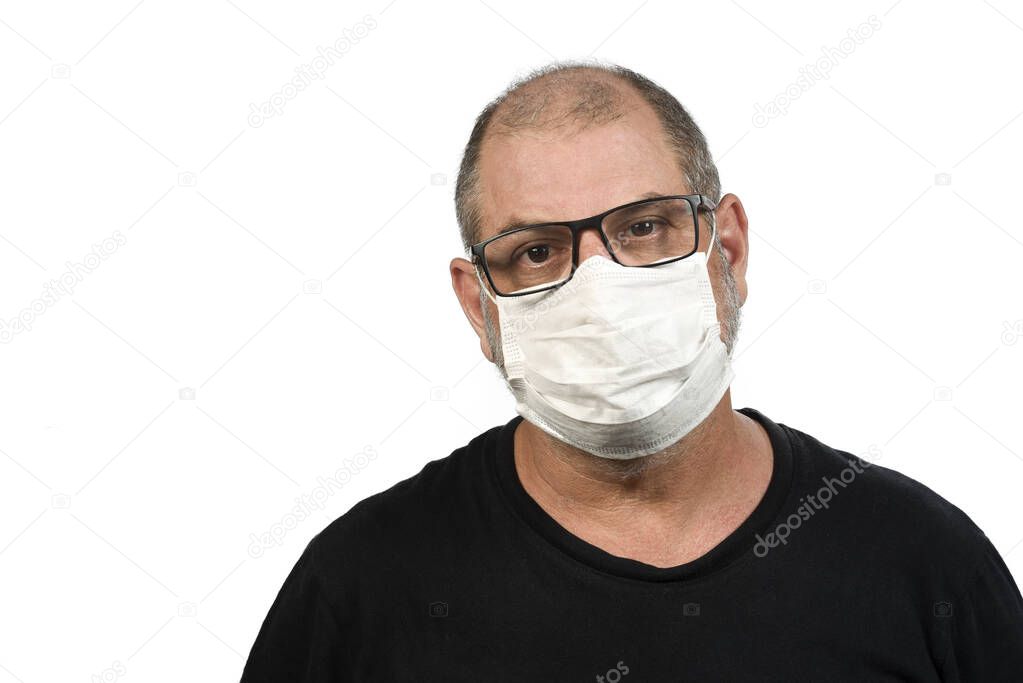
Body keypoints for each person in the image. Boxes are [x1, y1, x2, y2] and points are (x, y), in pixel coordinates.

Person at [239, 60, 1023, 681]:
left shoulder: (920, 564)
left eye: (644, 227)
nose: (599, 286)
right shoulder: (362, 589)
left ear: (730, 250)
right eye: (536, 250)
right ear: (480, 308)